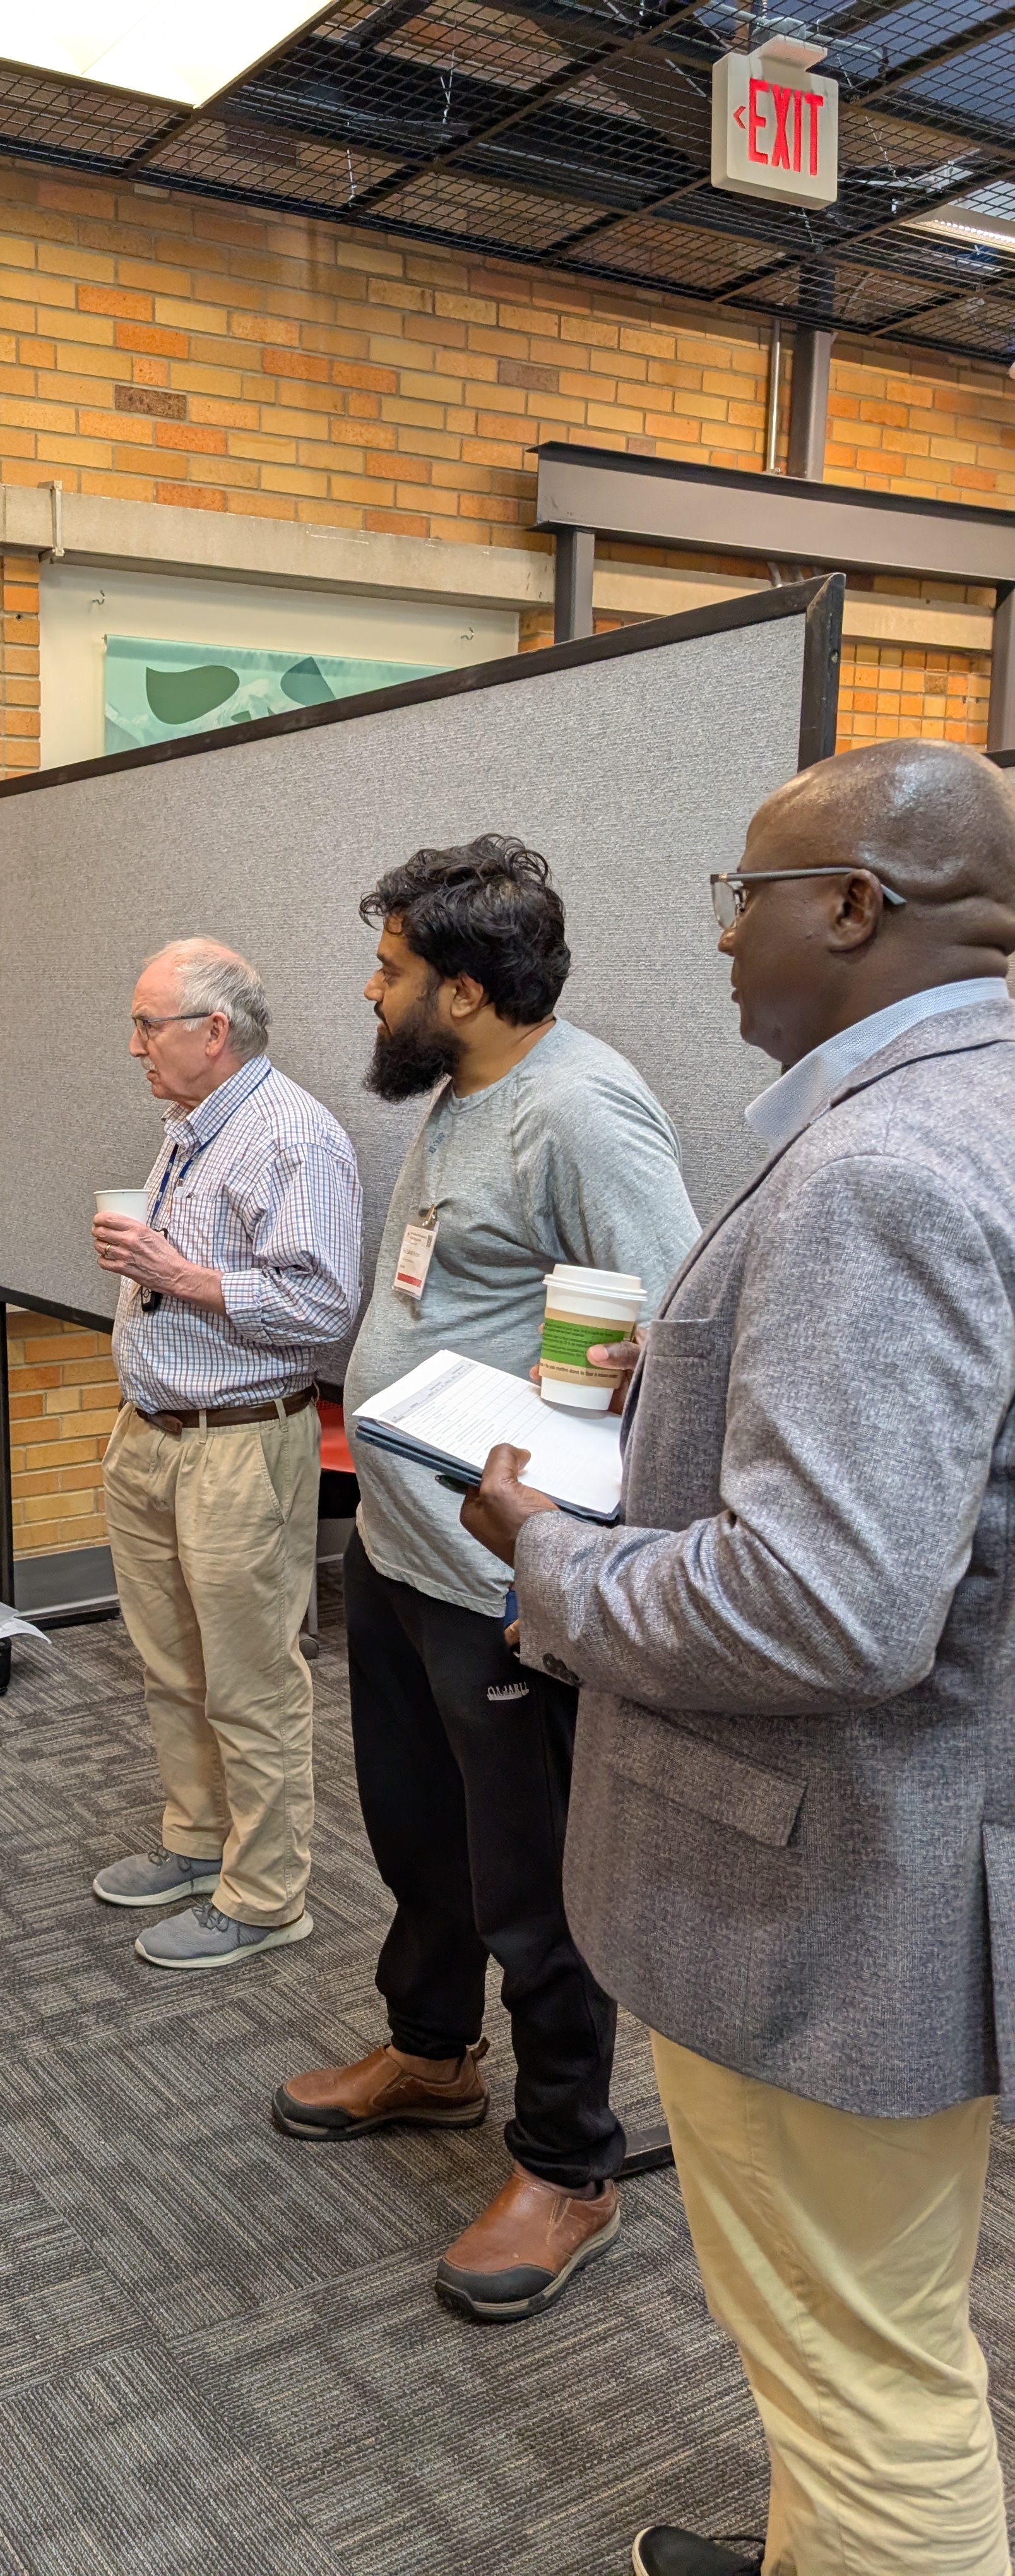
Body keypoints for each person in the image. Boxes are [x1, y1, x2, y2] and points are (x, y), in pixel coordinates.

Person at [462, 740, 1015, 2576]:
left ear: (856, 906)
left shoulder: (883, 1172)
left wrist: (552, 1552)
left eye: (745, 899)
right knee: (872, 2316)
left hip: (833, 1883)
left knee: (867, 2384)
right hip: (930, 1842)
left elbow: (827, 1607)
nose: (723, 947)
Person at [273, 835, 700, 2323]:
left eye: (389, 970)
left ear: (462, 987)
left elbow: (676, 1342)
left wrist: (573, 1563)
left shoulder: (582, 1112)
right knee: (420, 1839)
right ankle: (433, 2053)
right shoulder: (462, 1094)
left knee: (535, 1882)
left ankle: (570, 2162)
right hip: (399, 1550)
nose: (369, 989)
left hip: (500, 1577)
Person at [92, 938, 362, 1971]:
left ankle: (266, 1893)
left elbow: (325, 1309)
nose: (133, 1047)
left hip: (243, 1445)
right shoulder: (189, 1129)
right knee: (170, 1667)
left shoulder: (294, 1137)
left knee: (250, 1679)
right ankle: (199, 1844)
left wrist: (182, 1274)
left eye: (147, 1026)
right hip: (153, 1438)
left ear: (214, 1032)